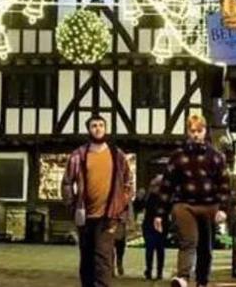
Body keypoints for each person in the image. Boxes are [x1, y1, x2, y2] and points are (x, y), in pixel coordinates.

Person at [154, 114, 230, 287]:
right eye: (192, 131)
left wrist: (223, 209)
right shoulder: (178, 156)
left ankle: (202, 280)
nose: (196, 134)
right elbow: (167, 185)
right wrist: (160, 214)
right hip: (184, 204)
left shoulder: (215, 156)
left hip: (209, 205)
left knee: (205, 246)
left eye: (199, 131)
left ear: (205, 131)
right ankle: (183, 278)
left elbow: (224, 184)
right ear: (188, 132)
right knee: (188, 241)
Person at [63, 114, 134, 287]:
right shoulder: (79, 155)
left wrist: (121, 203)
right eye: (94, 125)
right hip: (85, 215)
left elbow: (129, 182)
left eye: (101, 125)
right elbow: (67, 182)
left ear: (106, 128)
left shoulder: (116, 155)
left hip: (109, 215)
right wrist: (72, 205)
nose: (98, 128)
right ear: (89, 129)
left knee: (103, 257)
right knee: (86, 258)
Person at [140, 175, 167, 280]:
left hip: (159, 226)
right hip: (150, 226)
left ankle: (157, 271)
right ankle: (150, 271)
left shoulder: (162, 197)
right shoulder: (149, 197)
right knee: (151, 249)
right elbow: (139, 206)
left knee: (158, 249)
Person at [114, 195, 135, 276]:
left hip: (121, 223)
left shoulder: (126, 197)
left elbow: (130, 211)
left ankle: (119, 263)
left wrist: (131, 223)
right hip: (112, 221)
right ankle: (111, 267)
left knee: (120, 247)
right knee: (110, 247)